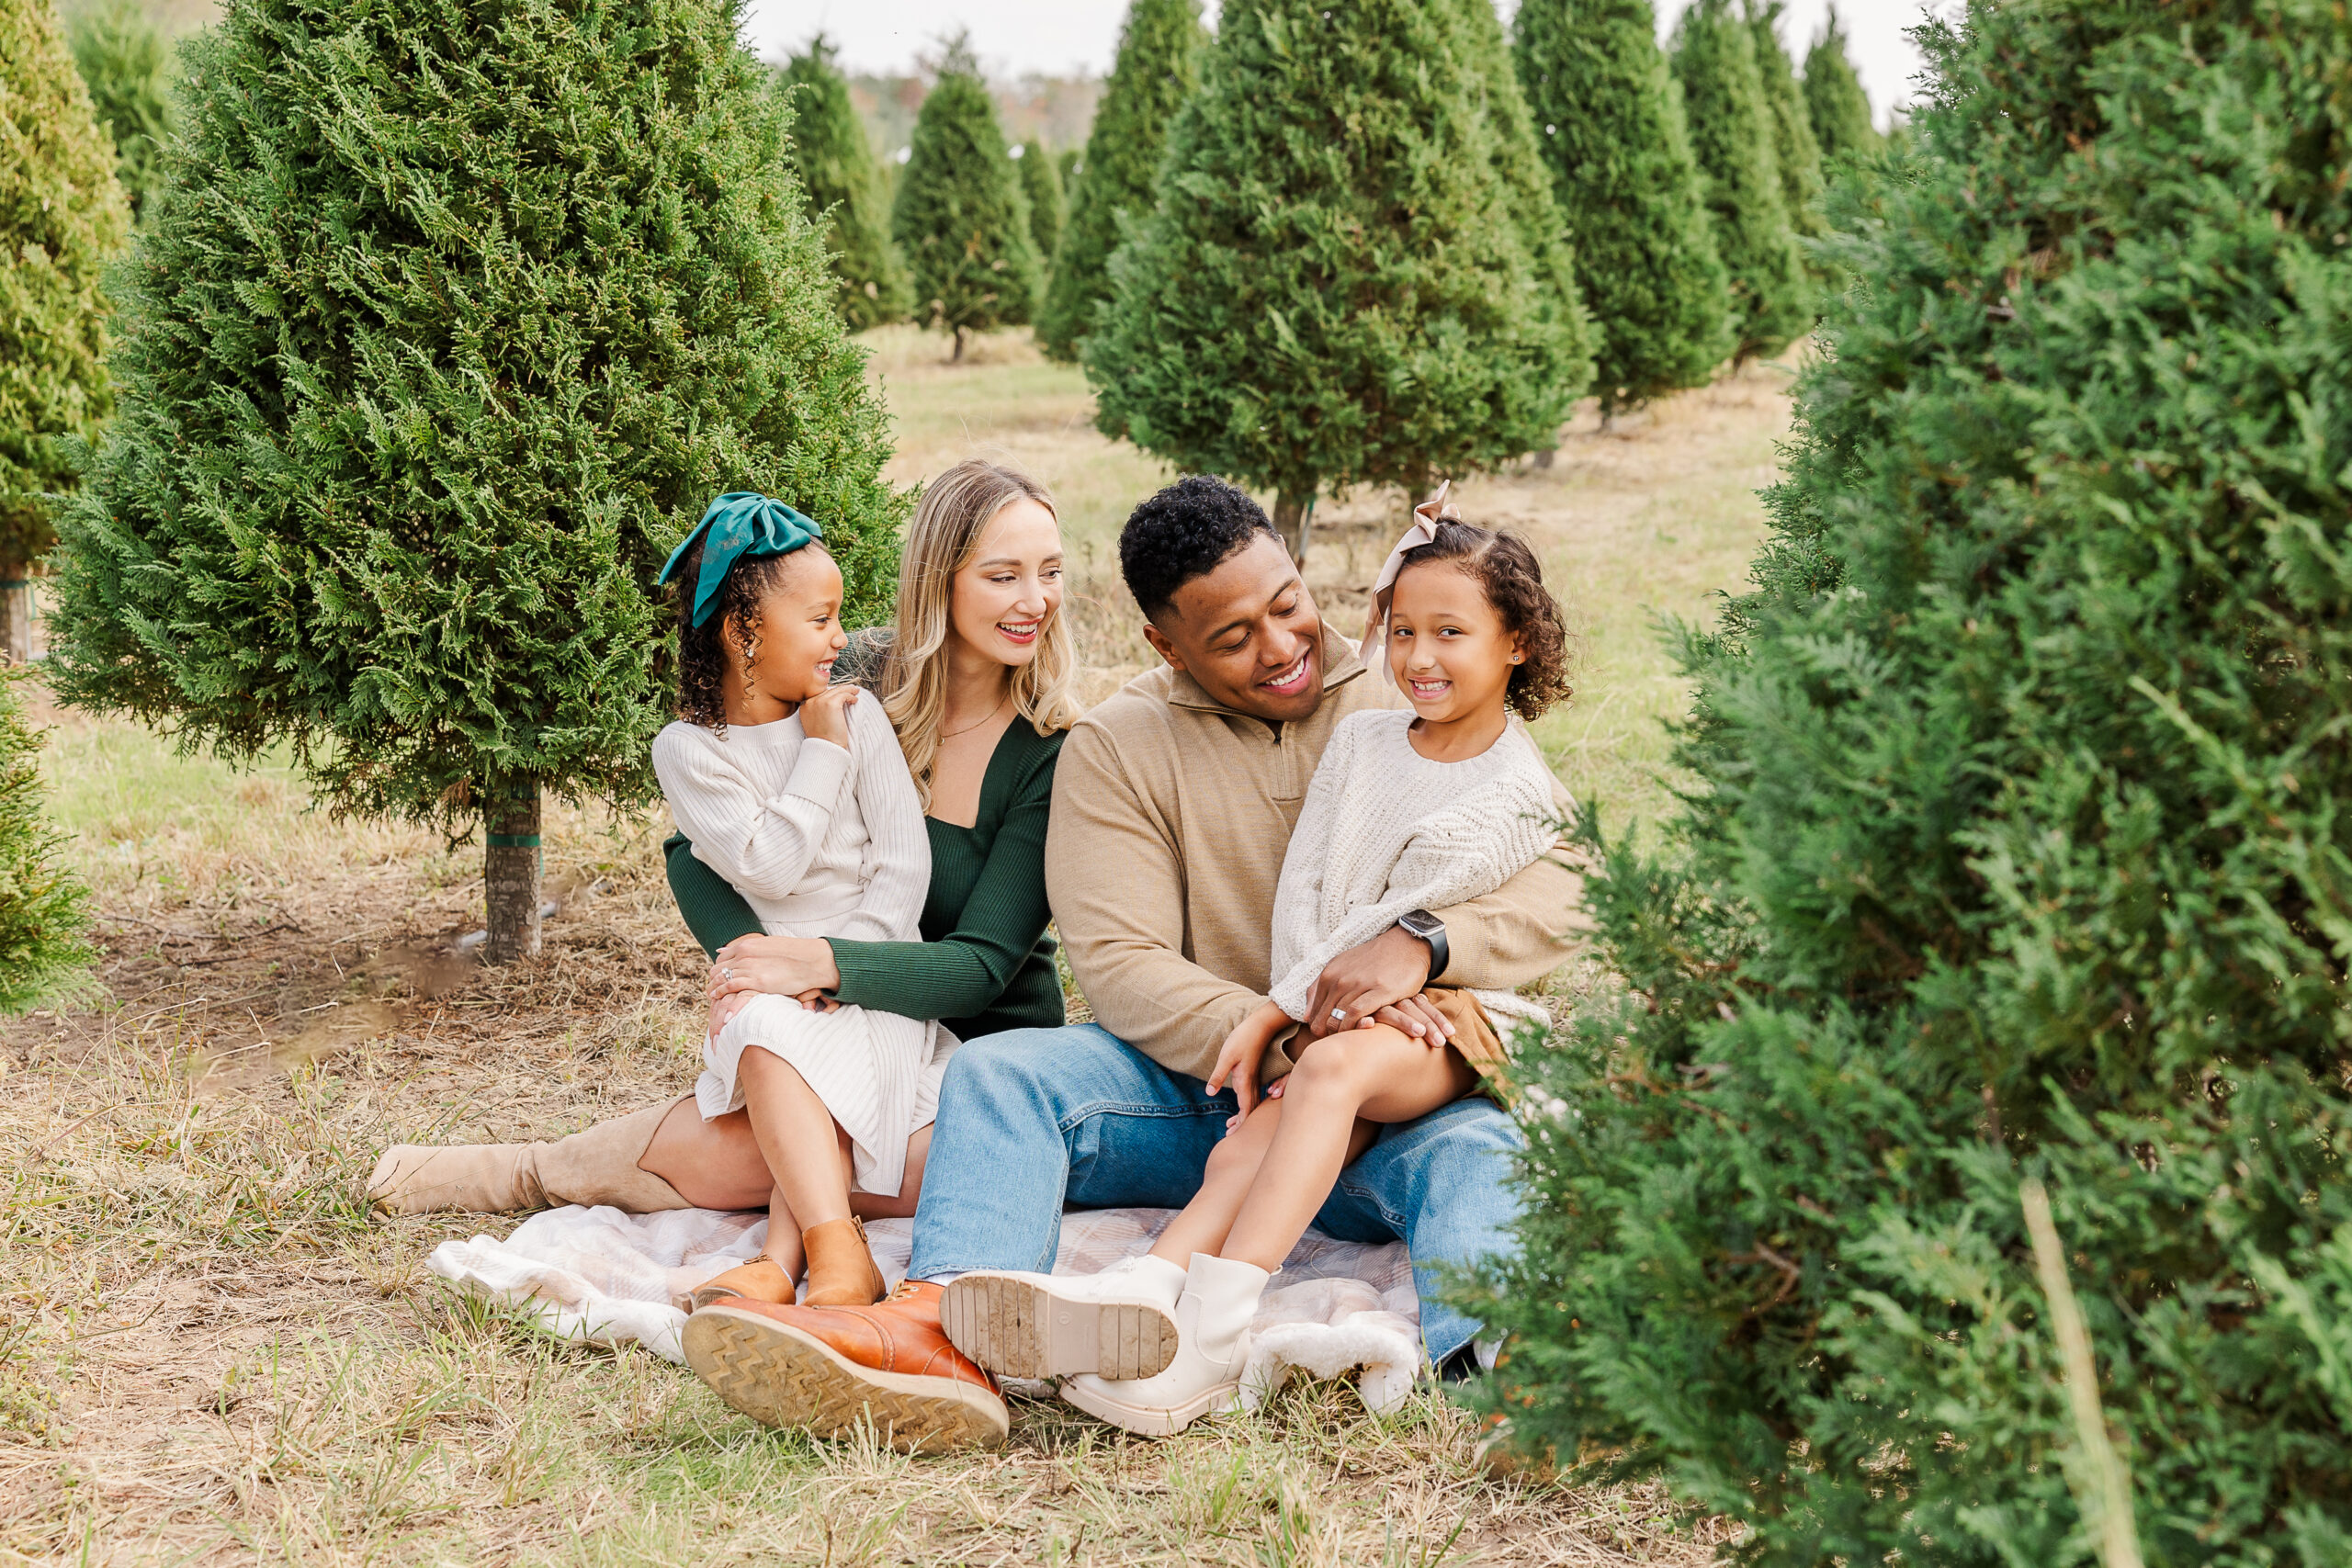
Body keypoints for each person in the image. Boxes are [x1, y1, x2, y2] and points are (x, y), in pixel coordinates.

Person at [677, 476, 1591, 1453]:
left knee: (1477, 1150)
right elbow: (1120, 965)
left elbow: (1564, 881)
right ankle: (935, 1330)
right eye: (1233, 637)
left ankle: (1514, 1374)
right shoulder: (1118, 743)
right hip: (1208, 1089)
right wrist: (1297, 1045)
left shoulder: (1402, 683)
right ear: (1166, 644)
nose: (1281, 647)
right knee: (1005, 1073)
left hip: (1390, 1101)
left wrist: (1423, 947)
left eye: (1288, 605)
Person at [365, 462, 1080, 1280]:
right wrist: (753, 962)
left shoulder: (1051, 751)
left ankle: (743, 1239)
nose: (1036, 600)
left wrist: (820, 964)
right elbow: (694, 854)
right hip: (825, 1013)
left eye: (1051, 572)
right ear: (938, 578)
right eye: (1003, 575)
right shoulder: (851, 681)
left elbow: (985, 968)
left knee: (794, 1149)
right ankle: (523, 1169)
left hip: (983, 1063)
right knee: (780, 1110)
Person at [1043, 496, 1570, 1434]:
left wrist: (1393, 970)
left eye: (1451, 632)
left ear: (1517, 642)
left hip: (1457, 1021)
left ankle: (1226, 1340)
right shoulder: (1369, 734)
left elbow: (1401, 926)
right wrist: (1298, 1007)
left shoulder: (1514, 788)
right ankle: (1146, 1291)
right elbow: (1316, 899)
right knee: (1263, 1127)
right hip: (1333, 1015)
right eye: (1402, 630)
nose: (1417, 656)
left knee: (1353, 1088)